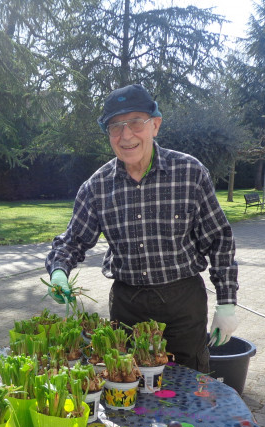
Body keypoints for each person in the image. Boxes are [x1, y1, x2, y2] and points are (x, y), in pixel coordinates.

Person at [44, 83, 238, 374]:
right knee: (128, 387)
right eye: (115, 127)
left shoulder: (190, 173)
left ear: (155, 125)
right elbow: (72, 241)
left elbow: (219, 240)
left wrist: (227, 302)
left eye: (136, 122)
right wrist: (59, 271)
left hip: (183, 304)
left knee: (187, 384)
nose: (126, 135)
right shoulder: (96, 186)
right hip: (127, 308)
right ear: (108, 135)